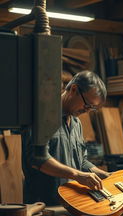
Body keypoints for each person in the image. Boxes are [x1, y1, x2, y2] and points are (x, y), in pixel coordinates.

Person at [22, 70, 110, 205]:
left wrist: (102, 175)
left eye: (92, 108)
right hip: (42, 205)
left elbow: (81, 162)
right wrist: (76, 175)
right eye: (87, 104)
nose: (87, 110)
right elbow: (37, 159)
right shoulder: (43, 116)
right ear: (74, 89)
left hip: (71, 202)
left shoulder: (76, 123)